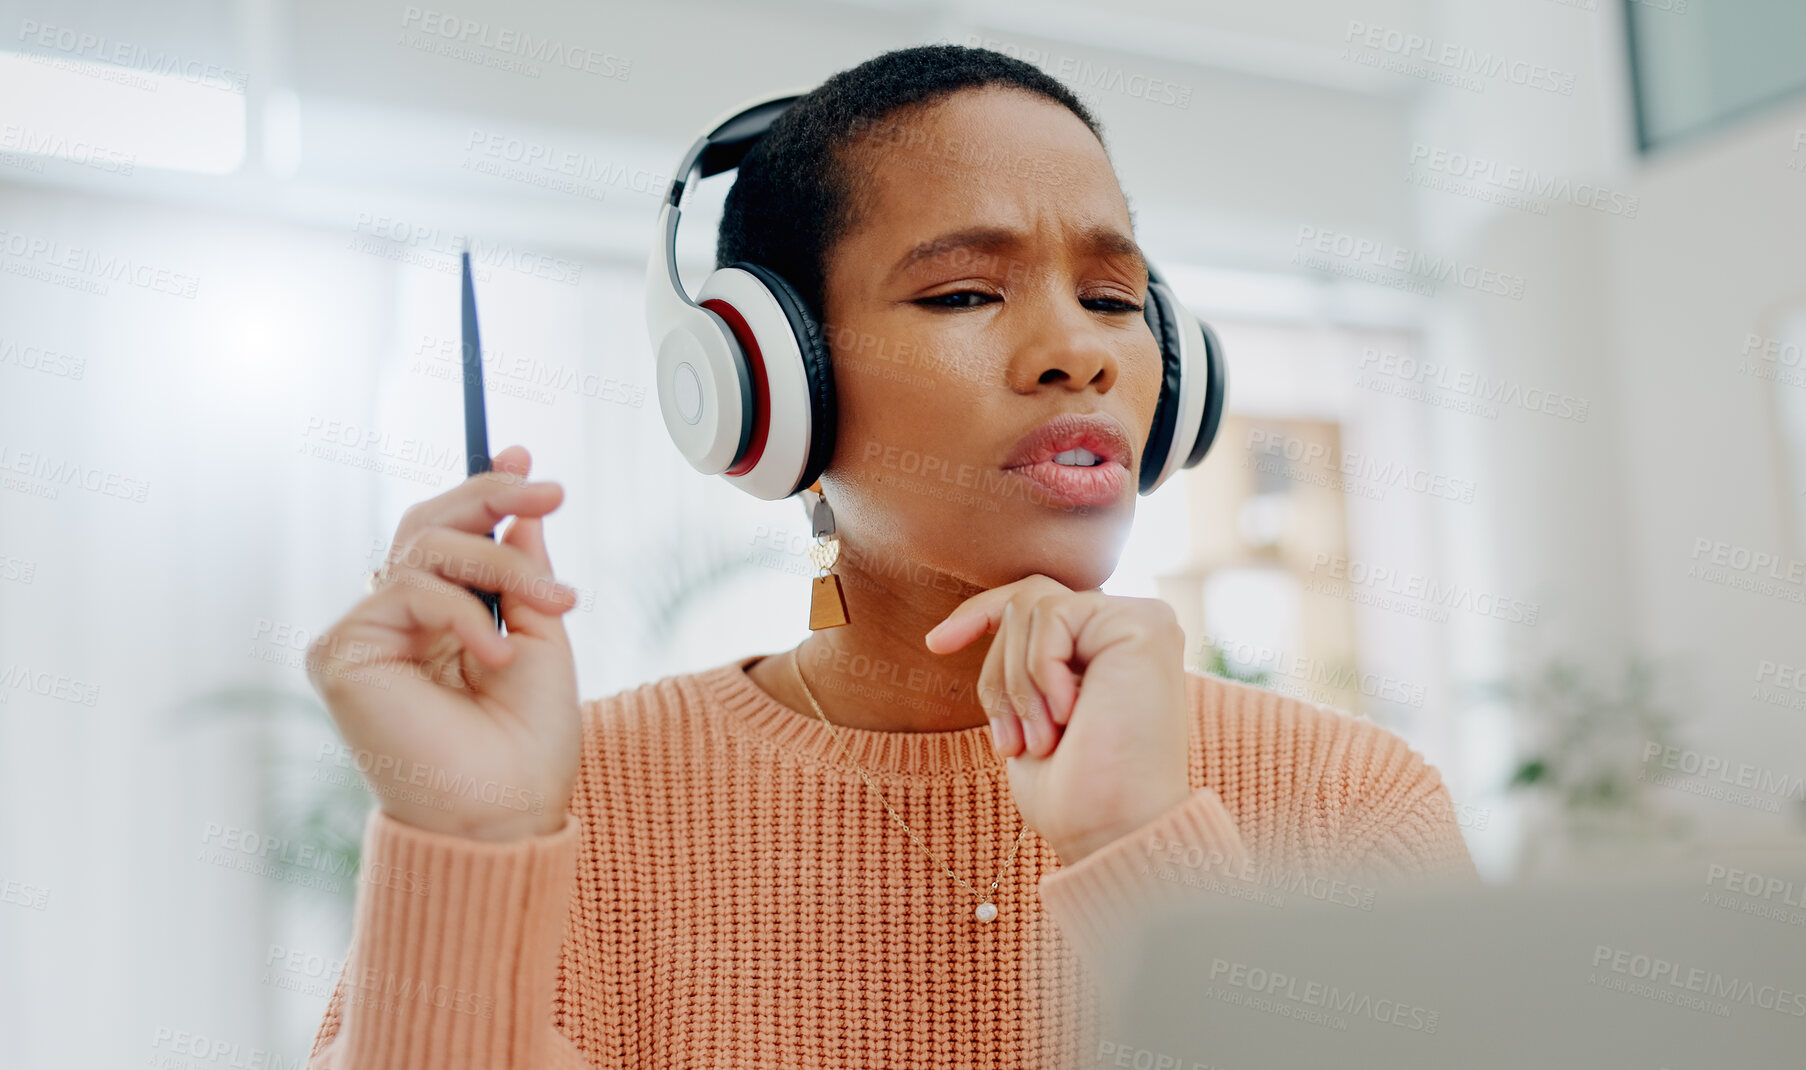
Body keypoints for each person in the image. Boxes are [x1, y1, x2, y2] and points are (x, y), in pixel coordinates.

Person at [300, 43, 1476, 1070]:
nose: (1078, 350)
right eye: (965, 290)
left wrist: (1140, 853)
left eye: (1114, 297)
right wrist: (473, 840)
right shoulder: (579, 804)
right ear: (771, 384)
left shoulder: (1344, 800)